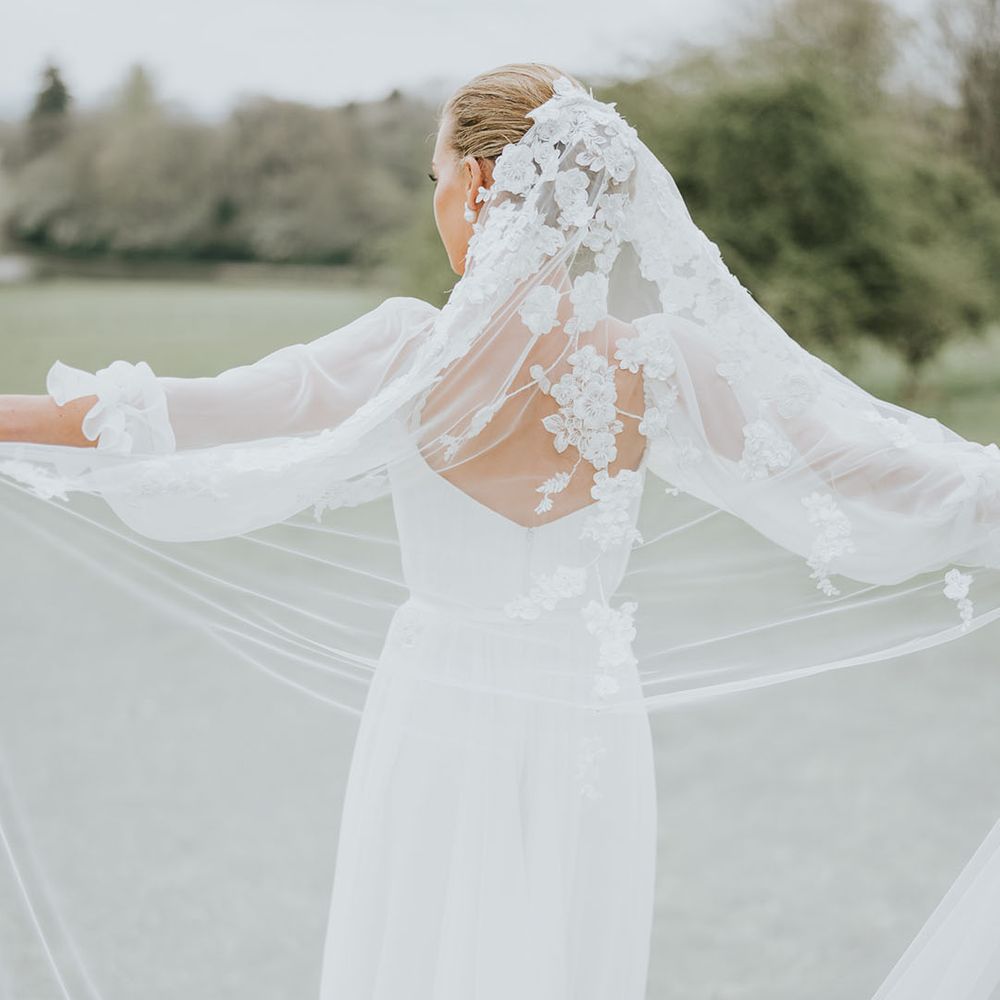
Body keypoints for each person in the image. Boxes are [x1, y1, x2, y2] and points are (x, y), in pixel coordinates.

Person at [2, 62, 1000, 999]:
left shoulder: (406, 351)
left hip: (436, 708)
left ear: (476, 185)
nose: (433, 197)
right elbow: (872, 468)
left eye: (433, 174)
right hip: (589, 720)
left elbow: (165, 415)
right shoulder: (660, 366)